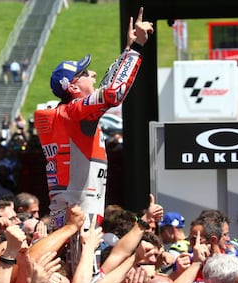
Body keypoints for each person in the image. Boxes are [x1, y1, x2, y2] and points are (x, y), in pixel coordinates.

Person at [34, 6, 154, 233]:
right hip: (79, 216)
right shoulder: (74, 112)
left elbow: (107, 88)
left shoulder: (65, 113)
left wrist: (128, 49)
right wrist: (137, 47)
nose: (93, 74)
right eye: (85, 73)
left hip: (71, 211)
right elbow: (113, 93)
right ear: (73, 86)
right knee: (83, 269)